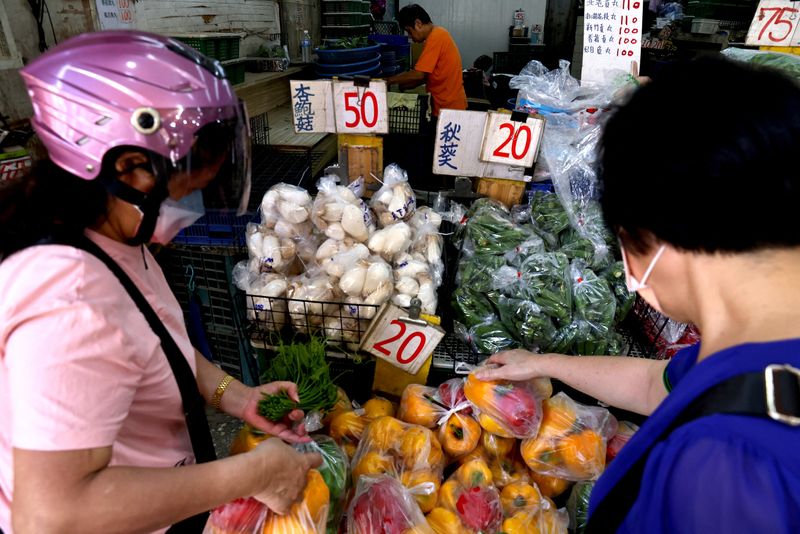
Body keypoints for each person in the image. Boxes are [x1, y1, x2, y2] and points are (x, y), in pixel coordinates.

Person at [0, 31, 321, 533]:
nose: (190, 212)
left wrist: (238, 397)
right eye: (188, 192)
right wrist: (251, 473)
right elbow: (51, 517)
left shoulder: (117, 237)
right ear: (130, 170)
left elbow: (154, 341)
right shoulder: (72, 301)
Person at [476, 57, 800, 532]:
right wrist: (543, 364)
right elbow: (657, 385)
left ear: (660, 229)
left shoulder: (726, 463)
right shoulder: (751, 354)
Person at [387, 4, 467, 118]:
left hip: (449, 110)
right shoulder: (437, 35)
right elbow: (426, 76)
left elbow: (418, 74)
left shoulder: (436, 37)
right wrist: (404, 85)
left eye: (409, 31)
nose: (409, 36)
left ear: (418, 24)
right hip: (447, 106)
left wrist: (388, 81)